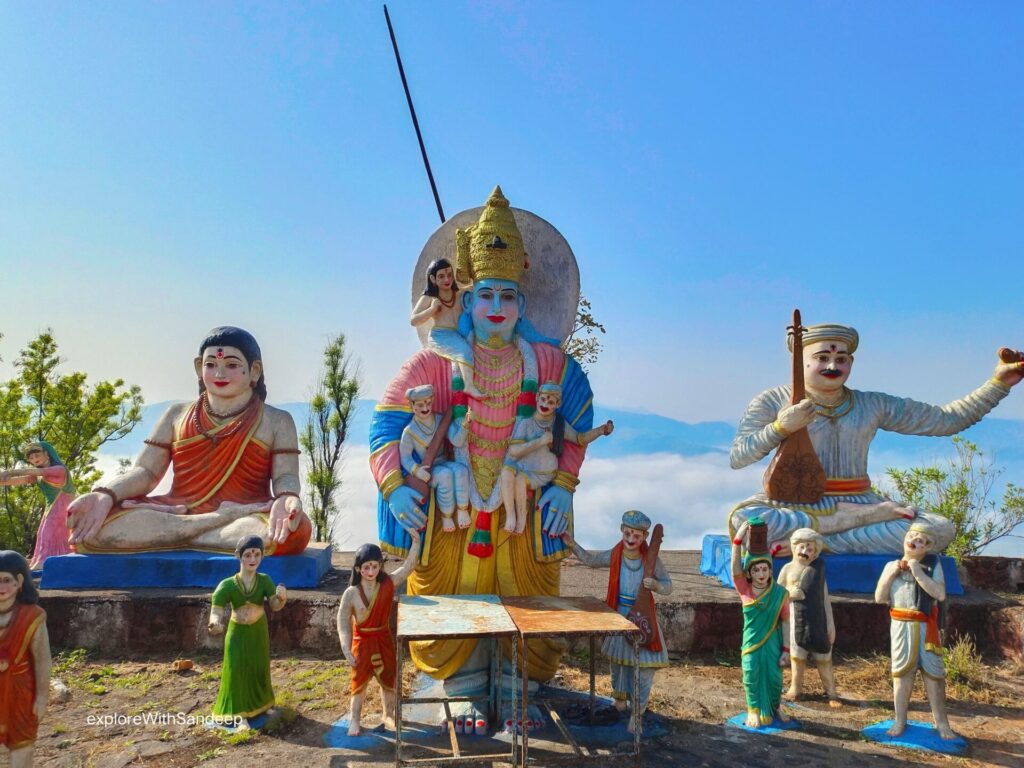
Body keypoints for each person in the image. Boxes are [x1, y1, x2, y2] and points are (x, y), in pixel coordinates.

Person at [369, 186, 596, 732]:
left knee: (528, 590)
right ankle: (466, 687)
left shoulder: (548, 361)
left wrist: (564, 485)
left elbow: (579, 419)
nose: (497, 308)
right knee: (452, 593)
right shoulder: (434, 362)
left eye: (508, 297)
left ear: (522, 304)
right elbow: (384, 426)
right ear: (467, 302)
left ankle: (521, 687)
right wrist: (396, 486)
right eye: (487, 296)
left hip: (525, 502)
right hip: (455, 508)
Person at [729, 323, 1024, 555]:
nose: (833, 366)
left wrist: (999, 383)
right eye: (822, 358)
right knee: (745, 520)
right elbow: (739, 456)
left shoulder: (872, 404)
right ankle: (838, 529)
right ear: (801, 361)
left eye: (841, 359)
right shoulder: (772, 400)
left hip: (861, 500)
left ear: (851, 362)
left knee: (938, 529)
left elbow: (947, 420)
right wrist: (781, 426)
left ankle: (816, 541)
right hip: (793, 503)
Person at [66, 327, 311, 555]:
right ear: (198, 368)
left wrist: (286, 498)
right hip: (180, 511)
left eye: (232, 365)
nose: (219, 373)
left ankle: (184, 534)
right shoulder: (176, 415)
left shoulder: (276, 420)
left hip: (246, 514)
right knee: (89, 528)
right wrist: (106, 495)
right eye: (211, 364)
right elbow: (146, 472)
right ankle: (210, 525)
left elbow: (284, 476)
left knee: (291, 531)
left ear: (254, 371)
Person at [561, 510, 671, 734]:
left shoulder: (651, 559)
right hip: (619, 614)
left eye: (637, 536)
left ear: (644, 536)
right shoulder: (616, 554)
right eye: (628, 533)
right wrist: (573, 545)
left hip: (642, 617)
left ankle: (637, 714)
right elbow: (592, 560)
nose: (631, 539)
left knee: (643, 667)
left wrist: (657, 586)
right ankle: (620, 701)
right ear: (622, 531)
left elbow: (668, 585)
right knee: (619, 663)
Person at [874, 523, 957, 740]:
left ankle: (941, 723)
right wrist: (891, 574)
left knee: (934, 676)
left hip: (926, 627)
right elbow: (880, 597)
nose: (914, 542)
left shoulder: (932, 566)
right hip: (901, 626)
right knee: (901, 675)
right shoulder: (891, 565)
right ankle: (900, 720)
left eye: (921, 541)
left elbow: (939, 594)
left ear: (927, 547)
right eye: (912, 537)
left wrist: (918, 572)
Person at [337, 530, 421, 736]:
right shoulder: (351, 593)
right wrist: (345, 648)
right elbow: (343, 622)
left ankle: (389, 715)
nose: (371, 570)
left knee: (389, 679)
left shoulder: (387, 584)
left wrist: (416, 542)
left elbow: (408, 567)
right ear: (358, 569)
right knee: (359, 683)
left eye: (375, 566)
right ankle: (355, 720)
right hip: (362, 642)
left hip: (383, 639)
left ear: (380, 566)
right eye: (366, 567)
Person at [501, 382, 613, 534]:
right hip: (524, 466)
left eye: (551, 401)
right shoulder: (526, 423)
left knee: (520, 480)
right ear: (537, 398)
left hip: (542, 473)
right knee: (506, 471)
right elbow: (514, 451)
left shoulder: (559, 424)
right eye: (544, 399)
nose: (546, 404)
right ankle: (511, 516)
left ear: (557, 404)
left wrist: (600, 431)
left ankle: (521, 520)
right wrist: (539, 442)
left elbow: (580, 439)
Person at [208, 535, 287, 724]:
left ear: (262, 556)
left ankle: (264, 703)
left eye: (257, 555)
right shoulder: (226, 585)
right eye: (248, 555)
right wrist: (215, 623)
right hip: (237, 633)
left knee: (259, 666)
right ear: (239, 556)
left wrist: (281, 598)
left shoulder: (265, 580)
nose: (252, 559)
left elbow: (275, 605)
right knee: (236, 670)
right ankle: (239, 714)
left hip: (258, 630)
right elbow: (216, 611)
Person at [730, 519, 791, 729]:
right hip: (752, 643)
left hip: (773, 641)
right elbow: (735, 570)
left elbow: (785, 621)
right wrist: (737, 541)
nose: (761, 574)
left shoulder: (780, 594)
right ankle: (753, 709)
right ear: (749, 573)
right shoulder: (745, 590)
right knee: (751, 673)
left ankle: (775, 706)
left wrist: (786, 649)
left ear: (770, 570)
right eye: (756, 571)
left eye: (765, 569)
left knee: (775, 678)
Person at [777, 528, 839, 706]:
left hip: (817, 620)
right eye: (802, 547)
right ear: (794, 547)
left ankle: (831, 692)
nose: (804, 552)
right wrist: (790, 593)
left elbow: (824, 598)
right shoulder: (787, 569)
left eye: (810, 549)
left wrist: (830, 625)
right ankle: (795, 688)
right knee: (798, 657)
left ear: (816, 552)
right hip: (795, 621)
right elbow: (776, 593)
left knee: (824, 657)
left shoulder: (817, 571)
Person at [0, 550, 51, 768]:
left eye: (6, 580)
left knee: (22, 744)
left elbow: (42, 659)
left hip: (21, 691)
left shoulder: (32, 616)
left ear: (20, 581)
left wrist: (41, 696)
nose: (1, 588)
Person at [400, 385, 472, 532]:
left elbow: (456, 441)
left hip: (443, 461)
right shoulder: (409, 431)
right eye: (420, 404)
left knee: (461, 470)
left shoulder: (440, 420)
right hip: (429, 469)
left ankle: (463, 510)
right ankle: (446, 517)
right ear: (412, 405)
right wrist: (417, 471)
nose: (425, 407)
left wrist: (465, 425)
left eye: (428, 403)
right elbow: (405, 457)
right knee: (444, 476)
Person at [410, 258, 481, 398]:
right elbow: (413, 320)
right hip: (440, 336)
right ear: (433, 279)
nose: (447, 279)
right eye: (441, 276)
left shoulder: (457, 292)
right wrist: (431, 310)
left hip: (457, 334)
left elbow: (472, 288)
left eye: (449, 274)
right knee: (464, 350)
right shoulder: (430, 297)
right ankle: (469, 386)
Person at [0, 442, 75, 569]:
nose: (35, 459)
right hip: (51, 506)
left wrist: (11, 471)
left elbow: (37, 472)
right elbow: (23, 479)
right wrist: (3, 481)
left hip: (62, 505)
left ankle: (44, 562)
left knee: (47, 532)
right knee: (42, 533)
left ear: (46, 454)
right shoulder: (39, 475)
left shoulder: (59, 469)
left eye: (37, 455)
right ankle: (44, 560)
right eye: (31, 458)